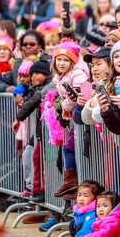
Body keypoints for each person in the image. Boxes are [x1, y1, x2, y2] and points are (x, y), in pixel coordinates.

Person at [51, 40, 90, 198]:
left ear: (73, 61)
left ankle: (71, 181)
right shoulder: (61, 76)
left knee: (69, 148)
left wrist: (64, 106)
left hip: (81, 118)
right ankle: (70, 182)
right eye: (59, 59)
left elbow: (82, 96)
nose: (61, 62)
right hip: (74, 118)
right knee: (66, 150)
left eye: (66, 60)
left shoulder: (78, 74)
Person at [11, 59, 53, 205]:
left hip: (51, 134)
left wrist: (18, 118)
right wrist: (18, 91)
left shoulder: (48, 86)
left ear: (47, 74)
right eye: (32, 74)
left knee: (47, 163)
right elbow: (27, 100)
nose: (34, 76)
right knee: (33, 156)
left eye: (38, 73)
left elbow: (33, 101)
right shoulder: (35, 88)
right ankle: (35, 191)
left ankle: (43, 194)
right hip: (41, 133)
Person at [80, 47, 113, 126]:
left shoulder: (117, 84)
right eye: (92, 65)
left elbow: (98, 117)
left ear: (111, 64)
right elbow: (85, 118)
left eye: (98, 64)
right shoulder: (100, 85)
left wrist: (96, 103)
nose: (94, 69)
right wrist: (91, 103)